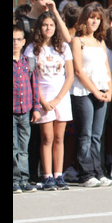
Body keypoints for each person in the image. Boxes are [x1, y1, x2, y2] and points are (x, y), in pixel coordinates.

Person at [24, 12, 74, 191]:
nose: (48, 28)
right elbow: (30, 77)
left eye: (51, 25)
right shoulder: (32, 49)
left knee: (60, 137)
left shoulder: (64, 48)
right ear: (39, 27)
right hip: (42, 98)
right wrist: (43, 101)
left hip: (61, 97)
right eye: (45, 25)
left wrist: (58, 99)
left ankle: (58, 175)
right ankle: (47, 176)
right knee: (47, 138)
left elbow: (70, 76)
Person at [70, 3, 112, 187]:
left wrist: (109, 90)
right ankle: (86, 173)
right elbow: (79, 71)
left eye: (98, 18)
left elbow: (106, 69)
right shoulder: (77, 41)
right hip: (84, 92)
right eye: (91, 17)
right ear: (84, 19)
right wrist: (94, 91)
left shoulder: (100, 41)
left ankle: (98, 171)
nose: (95, 21)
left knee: (97, 135)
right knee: (85, 134)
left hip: (102, 92)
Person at [14, 23, 42, 193]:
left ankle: (24, 179)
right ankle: (15, 179)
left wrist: (36, 108)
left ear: (24, 41)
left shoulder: (28, 62)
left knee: (24, 148)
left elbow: (34, 86)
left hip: (25, 111)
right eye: (12, 40)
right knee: (14, 148)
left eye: (18, 40)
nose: (15, 43)